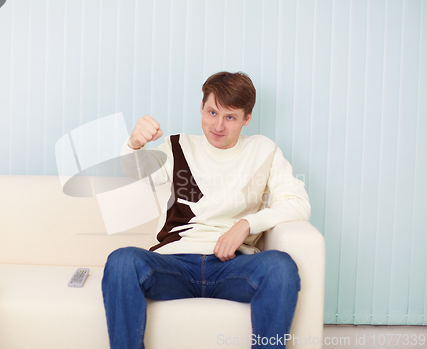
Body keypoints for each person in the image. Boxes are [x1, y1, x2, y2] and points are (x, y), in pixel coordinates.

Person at [102, 71, 311, 349]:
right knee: (122, 261)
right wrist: (134, 144)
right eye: (212, 112)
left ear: (247, 118)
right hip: (175, 264)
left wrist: (247, 224)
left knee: (281, 267)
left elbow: (298, 202)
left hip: (232, 266)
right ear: (201, 108)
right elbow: (136, 170)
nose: (218, 126)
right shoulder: (178, 146)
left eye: (230, 117)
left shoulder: (264, 151)